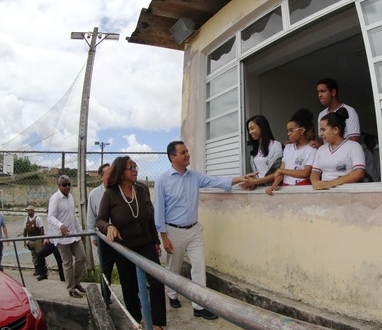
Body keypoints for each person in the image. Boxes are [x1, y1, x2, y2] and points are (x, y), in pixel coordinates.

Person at [154, 141, 253, 320]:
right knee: (173, 267)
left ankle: (199, 306)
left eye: (187, 151)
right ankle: (172, 294)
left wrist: (240, 178)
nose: (187, 154)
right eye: (183, 152)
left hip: (194, 230)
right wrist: (164, 237)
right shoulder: (163, 180)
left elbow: (215, 181)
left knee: (199, 267)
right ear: (172, 157)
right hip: (173, 231)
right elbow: (159, 211)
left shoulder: (194, 176)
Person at [96, 156, 166, 330]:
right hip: (123, 246)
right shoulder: (110, 194)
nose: (135, 169)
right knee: (129, 286)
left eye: (135, 166)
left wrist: (156, 241)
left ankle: (157, 323)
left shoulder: (141, 189)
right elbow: (100, 220)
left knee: (157, 281)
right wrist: (109, 226)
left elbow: (149, 217)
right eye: (130, 167)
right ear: (120, 172)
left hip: (145, 243)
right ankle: (136, 320)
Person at [47, 175, 86, 298]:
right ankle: (71, 288)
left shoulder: (70, 197)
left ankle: (77, 282)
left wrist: (80, 231)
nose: (67, 187)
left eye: (69, 184)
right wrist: (60, 225)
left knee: (81, 257)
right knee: (67, 262)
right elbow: (50, 217)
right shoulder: (55, 199)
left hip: (73, 235)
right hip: (61, 236)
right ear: (59, 186)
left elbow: (73, 216)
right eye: (64, 185)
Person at [266, 109, 317, 195]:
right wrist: (274, 185)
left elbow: (305, 173)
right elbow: (280, 171)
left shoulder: (312, 149)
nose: (288, 134)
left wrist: (282, 171)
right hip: (286, 187)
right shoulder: (288, 148)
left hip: (303, 187)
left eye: (291, 130)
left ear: (301, 130)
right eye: (288, 131)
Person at [310, 110, 366, 190]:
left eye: (323, 130)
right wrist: (316, 183)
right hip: (323, 194)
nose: (321, 134)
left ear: (335, 130)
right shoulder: (321, 149)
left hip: (347, 193)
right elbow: (315, 172)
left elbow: (359, 173)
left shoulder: (354, 146)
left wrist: (330, 183)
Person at [87, 163, 115, 304]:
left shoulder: (118, 190)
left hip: (119, 237)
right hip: (103, 238)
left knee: (127, 269)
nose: (112, 176)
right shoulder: (94, 195)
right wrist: (93, 236)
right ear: (101, 177)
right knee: (105, 269)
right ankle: (106, 298)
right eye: (108, 174)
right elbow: (91, 217)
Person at [310, 78, 360, 149]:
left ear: (333, 92)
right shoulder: (321, 114)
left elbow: (354, 141)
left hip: (345, 157)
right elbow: (323, 139)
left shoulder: (350, 111)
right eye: (318, 92)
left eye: (323, 91)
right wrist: (318, 144)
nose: (319, 95)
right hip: (328, 156)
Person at [241, 115, 283, 190]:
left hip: (272, 189)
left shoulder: (276, 145)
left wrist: (255, 181)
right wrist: (251, 182)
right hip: (258, 189)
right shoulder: (254, 149)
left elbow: (279, 172)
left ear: (262, 127)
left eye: (252, 128)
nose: (250, 132)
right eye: (249, 130)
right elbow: (257, 173)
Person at [22, 205, 45, 276]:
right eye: (27, 210)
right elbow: (25, 230)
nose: (28, 212)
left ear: (33, 211)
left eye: (29, 210)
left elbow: (41, 229)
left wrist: (42, 240)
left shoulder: (38, 219)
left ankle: (44, 270)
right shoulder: (26, 219)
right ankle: (37, 269)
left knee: (40, 254)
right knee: (34, 256)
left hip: (37, 239)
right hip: (31, 240)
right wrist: (25, 240)